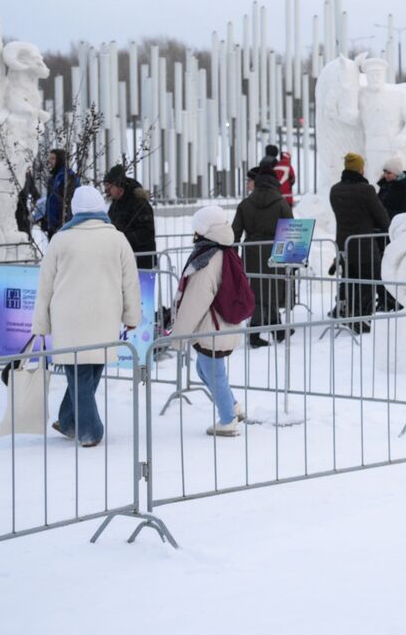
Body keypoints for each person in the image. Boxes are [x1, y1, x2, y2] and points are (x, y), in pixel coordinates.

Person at [30, 185, 141, 447]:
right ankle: (87, 429)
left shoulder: (61, 239)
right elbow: (130, 283)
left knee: (79, 374)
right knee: (90, 371)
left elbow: (45, 285)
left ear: (75, 210)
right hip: (105, 316)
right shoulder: (117, 239)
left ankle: (77, 425)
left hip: (68, 319)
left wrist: (41, 323)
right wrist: (132, 315)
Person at [171, 205, 247, 437]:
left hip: (212, 327)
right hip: (224, 324)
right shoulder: (225, 250)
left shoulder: (208, 258)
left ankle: (227, 419)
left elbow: (195, 300)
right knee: (205, 370)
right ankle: (233, 406)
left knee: (213, 373)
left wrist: (178, 336)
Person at [233, 165, 294, 347]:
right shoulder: (281, 203)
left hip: (251, 251)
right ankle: (257, 332)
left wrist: (234, 257)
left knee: (255, 290)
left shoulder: (245, 204)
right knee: (273, 288)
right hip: (275, 250)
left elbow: (235, 232)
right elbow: (290, 229)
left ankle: (274, 328)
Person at [330, 152, 389, 333]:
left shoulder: (335, 189)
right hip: (364, 245)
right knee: (367, 282)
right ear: (360, 169)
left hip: (344, 245)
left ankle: (350, 313)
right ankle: (361, 317)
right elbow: (382, 218)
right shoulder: (366, 190)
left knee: (350, 280)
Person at [375, 157, 406, 311]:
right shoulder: (385, 187)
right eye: (385, 172)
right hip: (382, 233)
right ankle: (384, 299)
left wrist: (385, 214)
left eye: (389, 172)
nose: (386, 175)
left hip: (396, 234)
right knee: (381, 269)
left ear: (396, 173)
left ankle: (394, 301)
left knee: (394, 269)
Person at [103, 165, 157, 270]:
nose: (106, 191)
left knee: (142, 287)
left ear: (118, 186)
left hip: (143, 264)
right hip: (123, 262)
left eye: (109, 187)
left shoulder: (139, 204)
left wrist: (121, 239)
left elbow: (147, 233)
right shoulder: (115, 205)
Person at [42, 149, 77, 236]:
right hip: (53, 226)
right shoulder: (53, 178)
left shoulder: (68, 177)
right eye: (49, 158)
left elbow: (70, 202)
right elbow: (50, 200)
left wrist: (64, 223)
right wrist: (46, 220)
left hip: (63, 226)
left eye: (53, 158)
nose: (49, 161)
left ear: (60, 160)